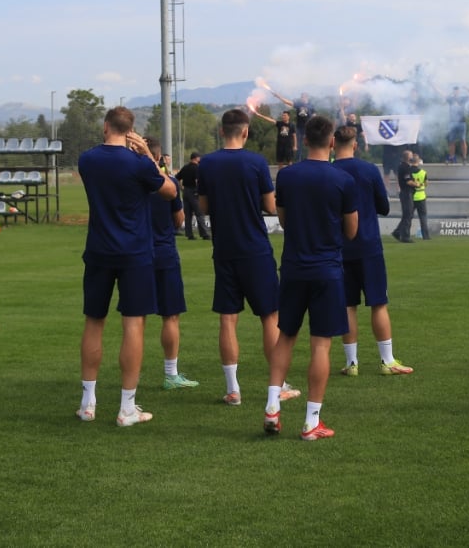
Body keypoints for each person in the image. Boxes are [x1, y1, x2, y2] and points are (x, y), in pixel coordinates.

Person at [77, 106, 177, 427]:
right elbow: (170, 191)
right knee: (133, 325)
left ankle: (88, 403)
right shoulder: (138, 164)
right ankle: (127, 407)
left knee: (94, 322)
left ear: (106, 126)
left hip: (99, 250)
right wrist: (148, 154)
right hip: (134, 253)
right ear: (131, 130)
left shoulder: (87, 160)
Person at [264, 115, 359, 440]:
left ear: (304, 140)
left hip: (293, 267)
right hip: (327, 269)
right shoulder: (342, 179)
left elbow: (285, 219)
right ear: (332, 142)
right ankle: (311, 421)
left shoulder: (287, 176)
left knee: (285, 336)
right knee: (321, 344)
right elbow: (352, 230)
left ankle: (272, 406)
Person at [198, 109, 300, 406]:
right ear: (245, 132)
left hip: (224, 249)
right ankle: (277, 385)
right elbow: (270, 205)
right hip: (254, 249)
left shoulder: (207, 163)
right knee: (269, 316)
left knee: (228, 319)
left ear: (222, 131)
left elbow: (203, 206)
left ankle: (233, 389)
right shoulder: (255, 162)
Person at [332, 125, 414, 377]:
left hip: (339, 248)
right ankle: (387, 361)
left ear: (333, 144)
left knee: (348, 305)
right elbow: (384, 207)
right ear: (355, 145)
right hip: (368, 245)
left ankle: (351, 363)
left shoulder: (329, 171)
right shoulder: (368, 170)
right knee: (378, 303)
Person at [145, 137, 199, 390]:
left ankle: (129, 385)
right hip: (163, 250)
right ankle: (170, 374)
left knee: (135, 319)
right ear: (158, 158)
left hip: (136, 252)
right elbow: (179, 219)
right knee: (170, 315)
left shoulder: (129, 182)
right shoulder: (169, 183)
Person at [174, 152, 210, 240]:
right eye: (199, 158)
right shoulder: (197, 168)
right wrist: (199, 191)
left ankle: (189, 234)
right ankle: (204, 234)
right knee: (199, 212)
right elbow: (197, 180)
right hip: (194, 191)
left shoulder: (185, 167)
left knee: (188, 214)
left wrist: (182, 188)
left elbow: (177, 178)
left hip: (186, 191)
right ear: (196, 158)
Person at [390, 149, 417, 243]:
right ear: (408, 157)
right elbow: (408, 181)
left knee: (407, 214)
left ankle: (397, 232)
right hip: (406, 193)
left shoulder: (404, 166)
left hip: (406, 193)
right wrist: (417, 184)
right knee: (408, 215)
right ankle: (405, 236)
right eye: (411, 155)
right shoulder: (405, 168)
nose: (412, 157)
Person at [445, 86, 469, 164]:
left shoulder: (463, 98)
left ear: (459, 91)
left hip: (461, 122)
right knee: (451, 141)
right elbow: (442, 94)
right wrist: (432, 84)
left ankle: (464, 158)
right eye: (454, 91)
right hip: (452, 122)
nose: (456, 92)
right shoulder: (450, 99)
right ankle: (451, 157)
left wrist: (467, 88)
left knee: (463, 140)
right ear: (453, 91)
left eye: (457, 91)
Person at [409, 154, 431, 240]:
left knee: (409, 217)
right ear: (418, 162)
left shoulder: (408, 172)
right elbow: (426, 184)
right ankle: (426, 236)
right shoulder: (423, 172)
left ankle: (405, 234)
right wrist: (421, 185)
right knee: (423, 217)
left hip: (411, 196)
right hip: (421, 196)